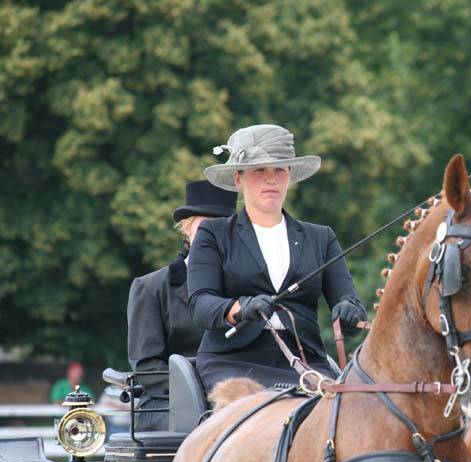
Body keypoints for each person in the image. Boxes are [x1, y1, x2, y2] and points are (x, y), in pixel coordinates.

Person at [188, 124, 367, 393]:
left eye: (279, 170)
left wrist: (349, 311)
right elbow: (201, 304)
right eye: (259, 170)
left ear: (289, 176)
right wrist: (240, 307)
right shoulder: (214, 234)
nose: (271, 179)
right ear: (238, 179)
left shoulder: (321, 238)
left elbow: (347, 299)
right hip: (232, 362)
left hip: (306, 361)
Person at [127, 180, 238, 430]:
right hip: (171, 403)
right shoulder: (151, 288)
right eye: (205, 228)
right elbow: (148, 368)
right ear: (186, 230)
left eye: (222, 229)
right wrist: (205, 395)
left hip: (236, 400)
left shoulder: (248, 287)